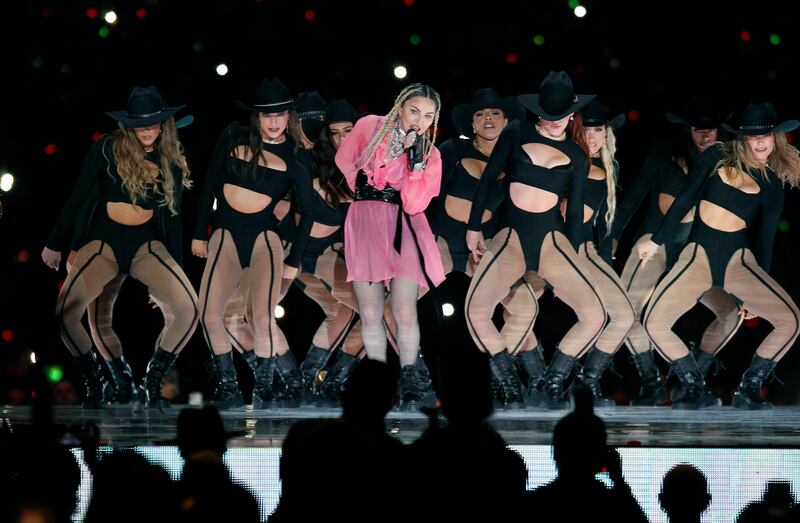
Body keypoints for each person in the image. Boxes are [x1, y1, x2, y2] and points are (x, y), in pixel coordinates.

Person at [42, 86, 198, 408]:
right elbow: (79, 196)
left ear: (163, 123)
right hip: (104, 243)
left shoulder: (171, 160)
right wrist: (57, 243)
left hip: (145, 246)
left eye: (153, 123)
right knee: (66, 313)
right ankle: (96, 380)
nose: (147, 130)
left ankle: (154, 380)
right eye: (140, 124)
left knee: (189, 308)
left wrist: (175, 270)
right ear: (129, 125)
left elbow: (173, 220)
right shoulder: (107, 149)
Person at [640, 102, 800, 409]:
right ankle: (692, 384)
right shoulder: (715, 156)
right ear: (742, 139)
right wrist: (656, 241)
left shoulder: (772, 185)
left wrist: (755, 294)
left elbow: (765, 241)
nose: (762, 141)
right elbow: (685, 199)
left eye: (767, 135)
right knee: (653, 322)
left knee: (791, 320)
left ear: (776, 138)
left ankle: (750, 387)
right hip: (696, 256)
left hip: (738, 261)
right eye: (754, 136)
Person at [465, 71, 606, 409]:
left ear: (572, 114)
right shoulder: (516, 133)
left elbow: (573, 215)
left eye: (561, 116)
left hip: (551, 244)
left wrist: (571, 258)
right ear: (537, 110)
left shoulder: (575, 155)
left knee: (595, 314)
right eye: (548, 114)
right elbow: (486, 182)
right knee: (475, 310)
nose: (555, 122)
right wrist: (473, 227)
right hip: (510, 237)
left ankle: (555, 379)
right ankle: (509, 384)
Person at [193, 78, 314, 409]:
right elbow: (209, 185)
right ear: (256, 117)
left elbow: (309, 211)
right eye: (266, 115)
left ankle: (263, 390)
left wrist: (295, 260)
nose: (273, 122)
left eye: (279, 115)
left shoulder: (296, 155)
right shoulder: (233, 135)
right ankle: (229, 388)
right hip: (224, 235)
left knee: (261, 317)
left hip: (265, 239)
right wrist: (198, 233)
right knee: (208, 315)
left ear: (289, 117)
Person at [612, 97, 742, 404]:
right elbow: (641, 195)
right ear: (688, 130)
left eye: (712, 130)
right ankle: (650, 382)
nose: (706, 136)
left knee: (731, 313)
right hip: (654, 243)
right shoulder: (669, 155)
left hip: (697, 250)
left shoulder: (728, 163)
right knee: (627, 311)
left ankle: (691, 378)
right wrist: (614, 236)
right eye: (699, 129)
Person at [334, 83, 445, 411]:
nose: (419, 121)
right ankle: (376, 382)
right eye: (414, 111)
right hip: (366, 222)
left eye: (428, 116)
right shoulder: (370, 125)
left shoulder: (430, 154)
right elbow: (343, 158)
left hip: (403, 226)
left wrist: (414, 165)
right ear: (400, 107)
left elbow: (414, 204)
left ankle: (410, 382)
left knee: (404, 309)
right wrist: (365, 186)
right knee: (369, 311)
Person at [433, 88, 543, 406]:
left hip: (486, 247)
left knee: (523, 308)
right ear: (471, 123)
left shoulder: (520, 160)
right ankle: (415, 379)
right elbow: (425, 193)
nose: (488, 118)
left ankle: (507, 378)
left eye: (495, 113)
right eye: (480, 114)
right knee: (399, 303)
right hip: (441, 240)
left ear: (507, 121)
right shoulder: (452, 148)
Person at [570, 98, 636, 406]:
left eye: (598, 130)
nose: (592, 137)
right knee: (523, 312)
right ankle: (548, 384)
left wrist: (607, 255)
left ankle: (586, 383)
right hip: (560, 250)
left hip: (590, 251)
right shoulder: (568, 160)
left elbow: (604, 221)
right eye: (586, 130)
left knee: (623, 316)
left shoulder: (611, 166)